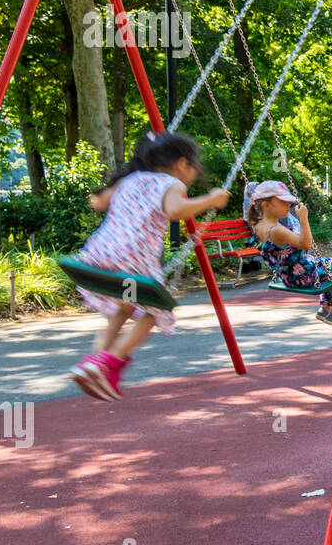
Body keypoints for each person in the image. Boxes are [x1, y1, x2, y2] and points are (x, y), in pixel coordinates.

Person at [68, 131, 230, 402]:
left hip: (98, 254)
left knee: (125, 306)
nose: (193, 173)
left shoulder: (129, 180)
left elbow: (98, 202)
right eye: (193, 167)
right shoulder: (170, 183)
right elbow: (177, 211)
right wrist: (212, 199)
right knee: (159, 310)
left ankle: (93, 363)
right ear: (181, 164)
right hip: (132, 259)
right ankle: (111, 362)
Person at [249, 180, 332, 329]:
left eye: (289, 202)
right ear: (266, 206)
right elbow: (306, 244)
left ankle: (324, 309)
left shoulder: (258, 224)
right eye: (283, 202)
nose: (289, 205)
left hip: (286, 276)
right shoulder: (277, 230)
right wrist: (303, 218)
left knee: (330, 268)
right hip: (304, 275)